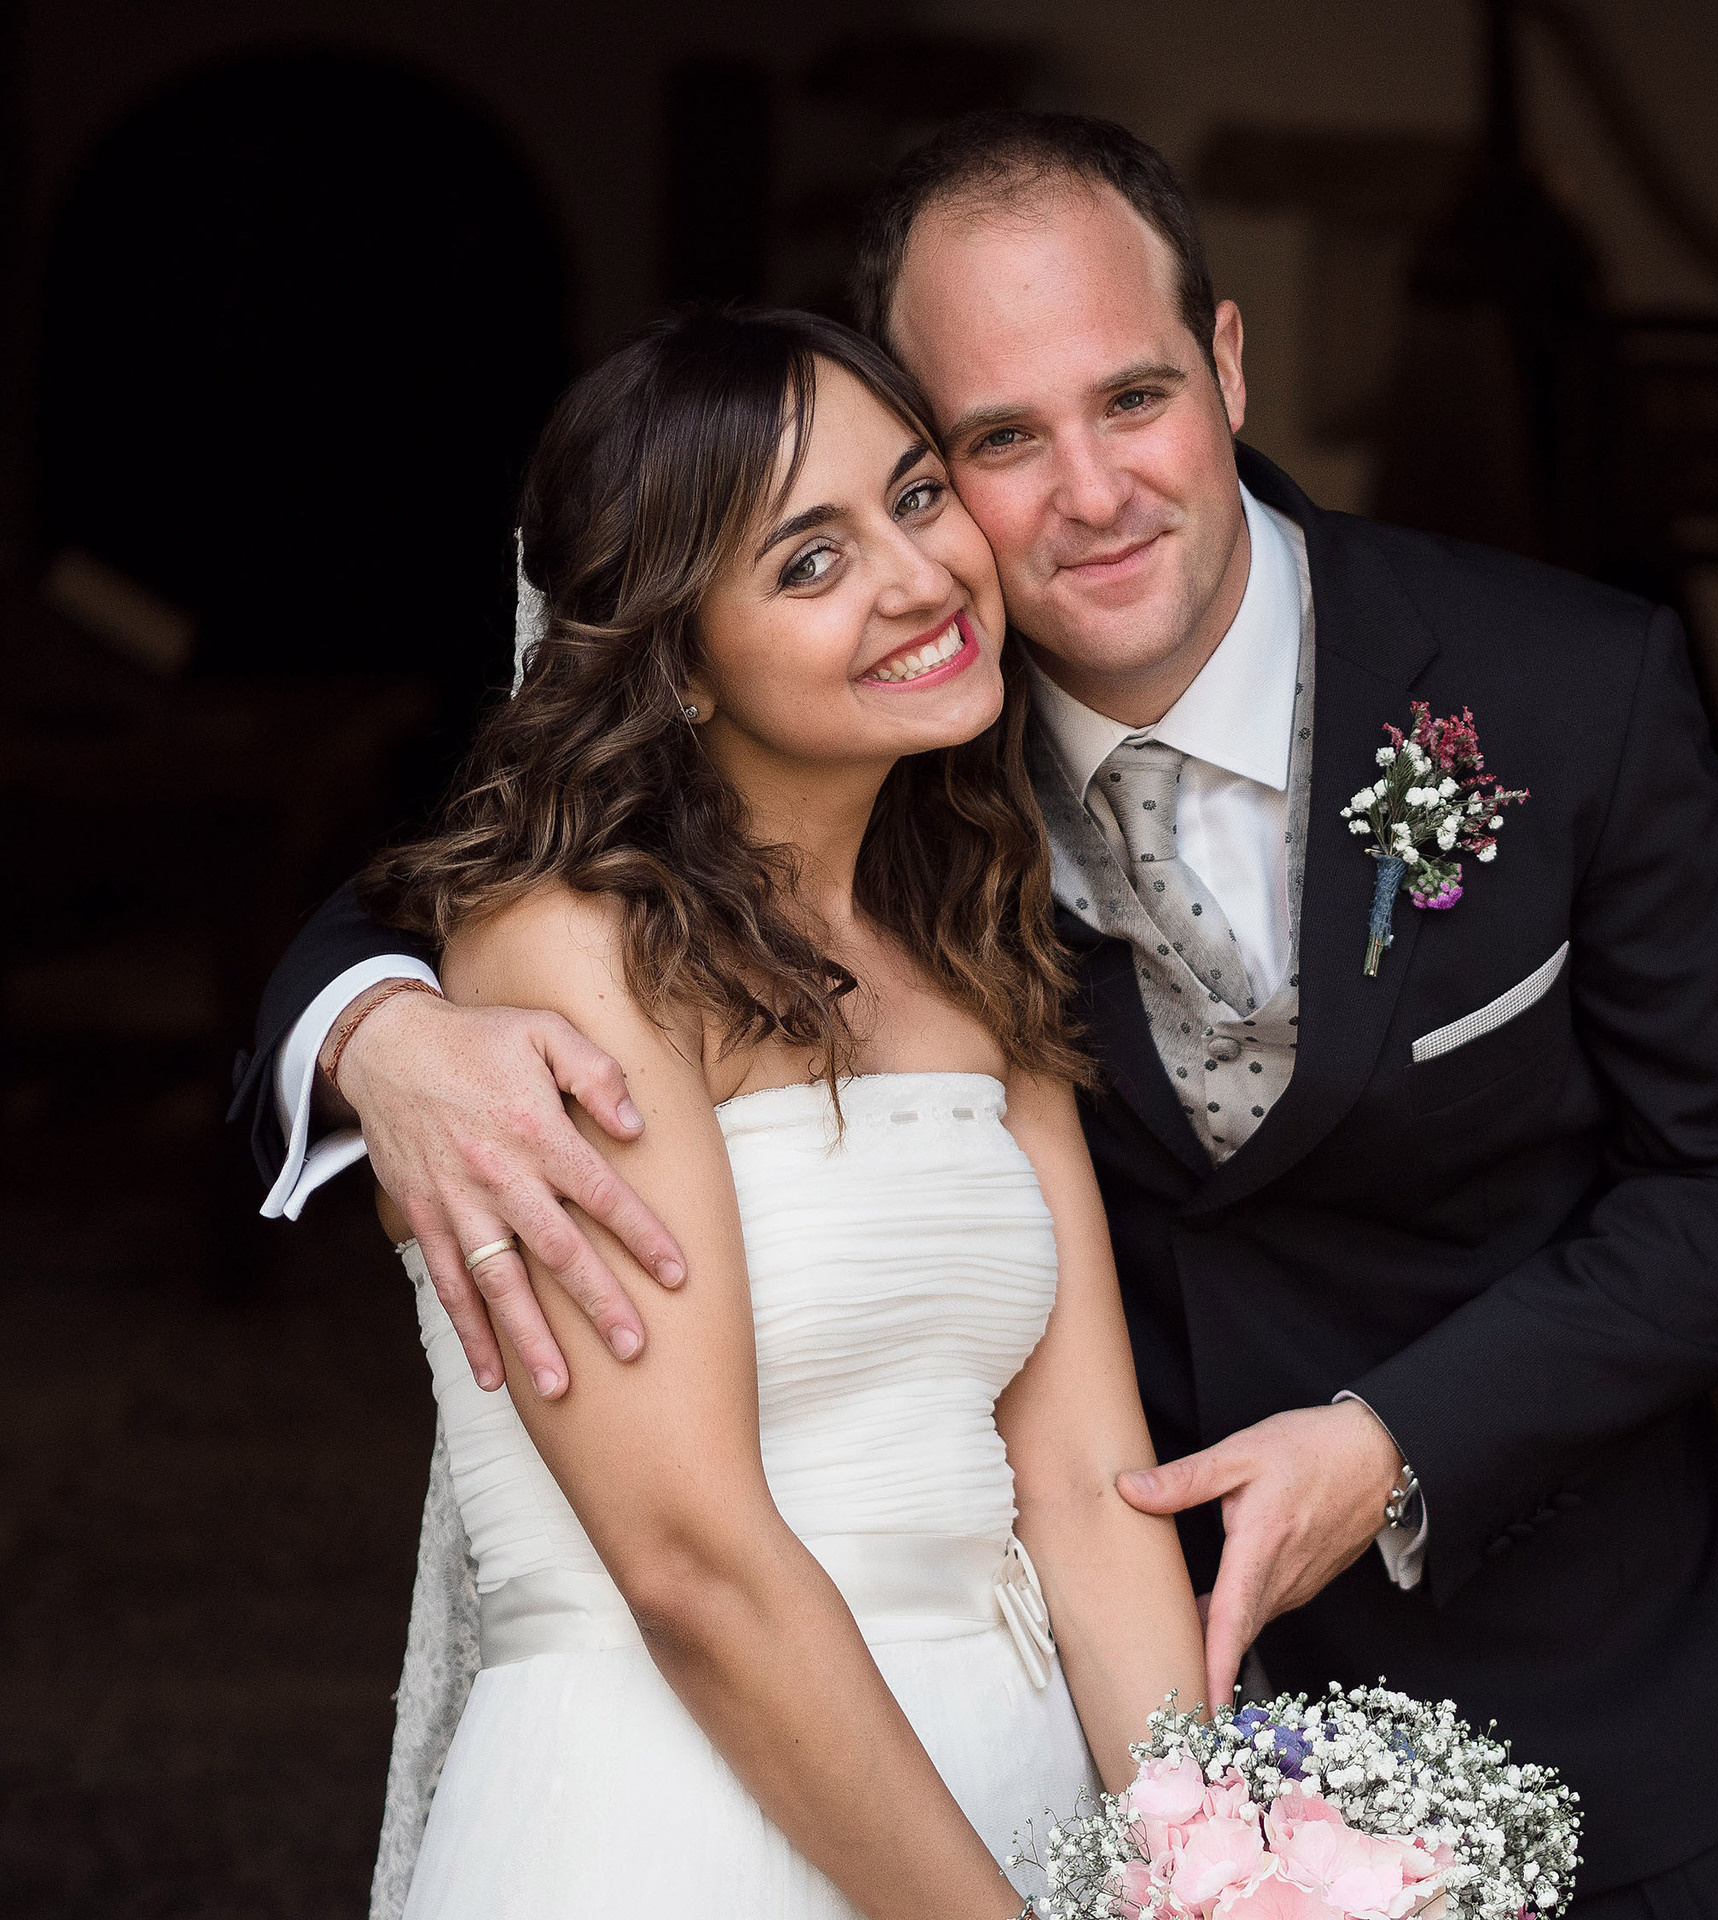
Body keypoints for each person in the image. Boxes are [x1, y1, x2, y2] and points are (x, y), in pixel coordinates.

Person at [240, 113, 1718, 1916]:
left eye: (1134, 400)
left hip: (1587, 1721)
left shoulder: (1556, 690)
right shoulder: (920, 734)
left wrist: (1398, 1451)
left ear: (1229, 365)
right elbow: (466, 874)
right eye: (997, 442)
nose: (1085, 497)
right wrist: (370, 1029)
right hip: (914, 1784)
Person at [335, 305, 1205, 1920]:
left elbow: (1088, 1486)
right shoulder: (562, 949)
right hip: (675, 1811)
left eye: (918, 497)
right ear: (673, 661)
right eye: (808, 563)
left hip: (1007, 1787)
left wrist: (1209, 1863)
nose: (915, 577)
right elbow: (693, 1568)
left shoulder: (968, 949)